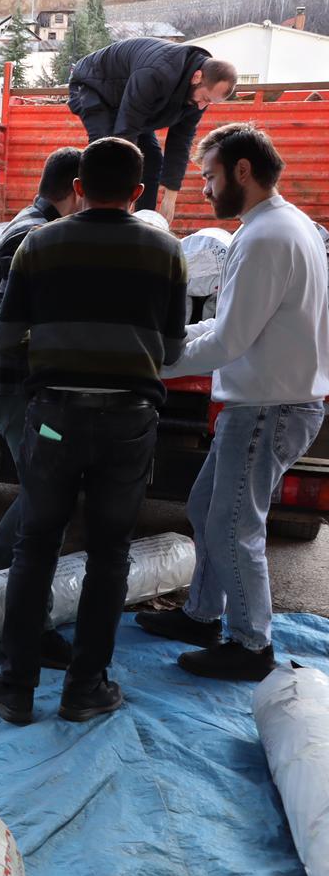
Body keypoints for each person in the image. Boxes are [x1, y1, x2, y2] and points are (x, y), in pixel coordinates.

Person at [0, 137, 189, 725]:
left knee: (36, 545)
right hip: (129, 422)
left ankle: (16, 687)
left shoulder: (39, 244)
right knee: (109, 553)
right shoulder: (167, 251)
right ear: (138, 192)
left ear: (78, 187)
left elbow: (4, 337)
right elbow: (173, 349)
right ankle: (85, 689)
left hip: (53, 422)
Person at [139, 124, 329, 680]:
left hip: (269, 406)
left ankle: (250, 646)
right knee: (206, 509)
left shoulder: (266, 237)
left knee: (233, 525)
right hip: (268, 402)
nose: (204, 188)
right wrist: (169, 343)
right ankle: (202, 615)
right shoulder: (286, 225)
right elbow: (229, 325)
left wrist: (150, 364)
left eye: (209, 176)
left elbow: (229, 342)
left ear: (242, 171)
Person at [0, 146, 82, 670]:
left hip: (21, 388)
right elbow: (24, 328)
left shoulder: (34, 228)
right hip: (16, 390)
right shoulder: (31, 239)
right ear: (77, 190)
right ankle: (22, 617)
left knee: (48, 488)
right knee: (49, 491)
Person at [67, 37, 237, 221]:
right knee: (106, 154)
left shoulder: (197, 95)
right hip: (94, 86)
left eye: (209, 102)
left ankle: (142, 224)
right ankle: (90, 219)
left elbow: (180, 142)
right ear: (197, 77)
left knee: (152, 159)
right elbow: (126, 132)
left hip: (129, 100)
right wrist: (124, 199)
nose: (202, 106)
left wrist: (170, 198)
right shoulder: (156, 72)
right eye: (205, 98)